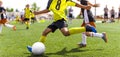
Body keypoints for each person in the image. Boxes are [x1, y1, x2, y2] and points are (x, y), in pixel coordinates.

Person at [27, 0, 97, 52]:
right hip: (56, 21)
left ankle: (86, 28)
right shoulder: (51, 1)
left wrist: (84, 6)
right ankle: (35, 49)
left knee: (65, 33)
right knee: (45, 32)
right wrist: (37, 13)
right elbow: (48, 9)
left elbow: (75, 4)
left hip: (61, 19)